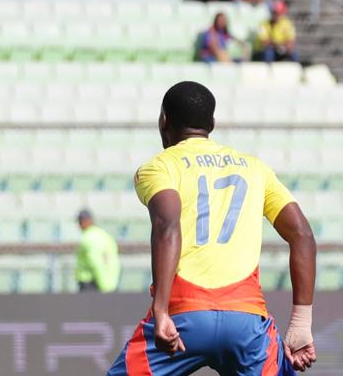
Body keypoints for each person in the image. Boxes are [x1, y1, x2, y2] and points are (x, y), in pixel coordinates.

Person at [105, 81, 317, 375]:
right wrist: (300, 325)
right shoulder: (255, 168)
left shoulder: (159, 167)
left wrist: (162, 310)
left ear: (163, 120)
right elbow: (303, 235)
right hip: (246, 322)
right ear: (212, 123)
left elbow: (167, 225)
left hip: (184, 314)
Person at [75, 209, 120, 293]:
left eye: (80, 222)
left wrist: (105, 286)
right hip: (109, 282)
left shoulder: (87, 238)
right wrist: (110, 284)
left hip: (91, 284)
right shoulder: (104, 235)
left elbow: (95, 262)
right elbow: (113, 260)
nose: (79, 225)